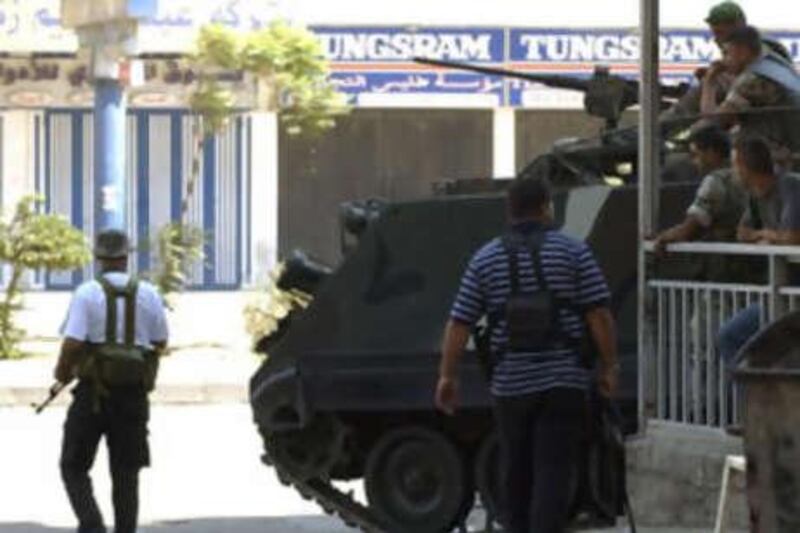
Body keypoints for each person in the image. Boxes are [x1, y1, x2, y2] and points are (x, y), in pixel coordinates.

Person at [434, 174, 618, 533]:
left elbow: (460, 322)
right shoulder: (573, 251)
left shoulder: (485, 259)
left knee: (514, 473)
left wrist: (447, 376)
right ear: (547, 207)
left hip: (511, 386)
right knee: (553, 472)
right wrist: (609, 366)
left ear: (509, 211)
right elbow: (599, 314)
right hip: (564, 382)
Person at [54, 229, 169, 533]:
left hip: (92, 395)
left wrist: (61, 374)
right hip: (132, 397)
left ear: (99, 258)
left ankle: (92, 526)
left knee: (73, 466)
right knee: (126, 475)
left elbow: (72, 344)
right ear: (125, 256)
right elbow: (160, 341)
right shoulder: (149, 293)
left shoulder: (86, 293)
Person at [717, 135, 800, 367]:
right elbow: (742, 232)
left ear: (743, 167)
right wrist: (769, 236)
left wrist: (763, 234)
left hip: (793, 293)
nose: (732, 171)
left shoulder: (791, 185)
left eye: (734, 165)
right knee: (731, 336)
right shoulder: (756, 196)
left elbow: (793, 237)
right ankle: (752, 401)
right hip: (781, 292)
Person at [693, 26, 800, 173]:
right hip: (789, 149)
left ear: (742, 52)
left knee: (708, 150)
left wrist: (709, 81)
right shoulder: (773, 62)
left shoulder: (753, 79)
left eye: (727, 53)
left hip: (776, 160)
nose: (723, 60)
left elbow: (714, 121)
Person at [662, 2, 792, 121]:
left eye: (720, 33)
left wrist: (710, 80)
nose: (716, 40)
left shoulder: (755, 77)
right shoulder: (766, 53)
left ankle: (658, 129)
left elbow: (713, 122)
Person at [653, 125, 745, 259]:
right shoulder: (743, 173)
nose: (694, 161)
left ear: (711, 152)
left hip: (725, 261)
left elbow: (688, 229)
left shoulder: (715, 181)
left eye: (696, 154)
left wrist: (664, 237)